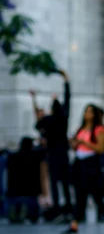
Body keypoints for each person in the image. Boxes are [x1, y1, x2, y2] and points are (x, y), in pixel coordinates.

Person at [61, 105, 104, 234]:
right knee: (79, 195)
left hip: (92, 165)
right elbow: (76, 147)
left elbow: (101, 149)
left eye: (90, 112)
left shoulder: (100, 129)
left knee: (97, 196)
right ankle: (74, 224)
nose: (87, 114)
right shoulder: (81, 129)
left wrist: (85, 143)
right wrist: (74, 143)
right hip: (80, 163)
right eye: (86, 111)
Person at [30, 69, 72, 219]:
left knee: (54, 182)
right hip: (63, 153)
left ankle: (57, 207)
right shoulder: (64, 118)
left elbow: (37, 122)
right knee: (65, 182)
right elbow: (68, 99)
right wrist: (66, 81)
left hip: (53, 153)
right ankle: (67, 206)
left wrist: (36, 101)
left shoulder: (48, 120)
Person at [6, 137, 43, 223]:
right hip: (31, 190)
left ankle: (16, 215)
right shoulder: (35, 156)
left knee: (16, 202)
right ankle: (31, 215)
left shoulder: (13, 157)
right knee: (32, 203)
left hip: (15, 189)